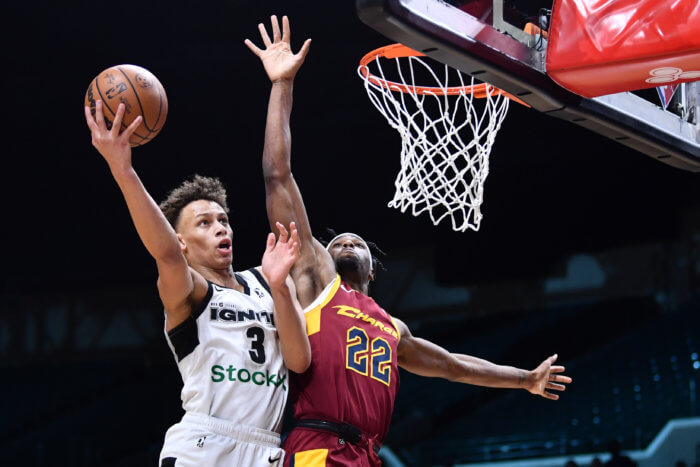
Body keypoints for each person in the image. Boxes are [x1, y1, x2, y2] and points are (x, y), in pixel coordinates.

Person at [246, 15, 573, 466]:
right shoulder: (318, 282)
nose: (344, 243)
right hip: (317, 449)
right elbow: (277, 178)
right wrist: (282, 85)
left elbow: (454, 366)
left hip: (367, 454)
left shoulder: (391, 328)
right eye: (336, 241)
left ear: (373, 269)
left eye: (355, 242)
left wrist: (524, 379)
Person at [84, 100, 311, 466]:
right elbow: (166, 255)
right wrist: (123, 170)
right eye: (204, 223)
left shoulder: (268, 281)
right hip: (205, 443)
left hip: (266, 448)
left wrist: (281, 286)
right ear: (183, 242)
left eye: (223, 219)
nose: (221, 226)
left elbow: (299, 362)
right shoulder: (190, 293)